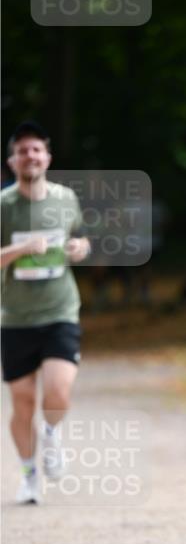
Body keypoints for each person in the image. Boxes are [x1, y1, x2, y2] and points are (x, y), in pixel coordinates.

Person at [1, 121, 89, 503]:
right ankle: (29, 475)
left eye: (36, 149)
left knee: (58, 392)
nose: (30, 156)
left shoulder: (65, 198)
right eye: (22, 151)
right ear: (12, 161)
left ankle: (52, 435)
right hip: (15, 318)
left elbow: (80, 236)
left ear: (48, 157)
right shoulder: (4, 206)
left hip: (60, 311)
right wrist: (21, 250)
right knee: (22, 404)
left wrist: (80, 248)